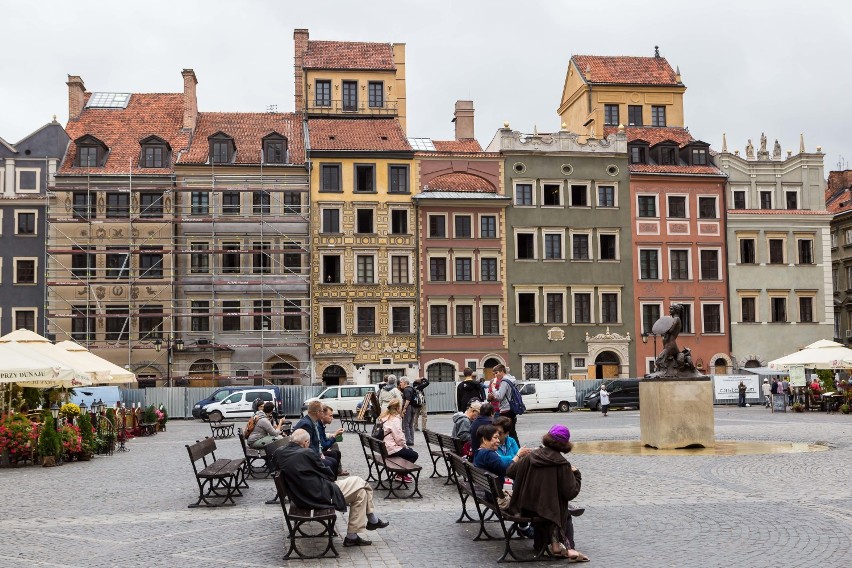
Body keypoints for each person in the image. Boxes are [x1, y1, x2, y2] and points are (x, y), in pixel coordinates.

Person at [275, 429, 389, 548]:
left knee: (361, 494)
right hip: (319, 495)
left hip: (303, 496)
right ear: (305, 442)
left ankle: (352, 536)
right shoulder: (306, 453)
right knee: (360, 482)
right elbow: (329, 474)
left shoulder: (280, 452)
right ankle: (372, 519)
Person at [507, 425, 588, 562]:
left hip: (524, 507)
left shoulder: (531, 456)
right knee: (564, 512)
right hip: (546, 512)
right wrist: (577, 474)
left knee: (547, 508)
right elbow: (570, 492)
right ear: (565, 444)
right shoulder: (562, 464)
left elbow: (510, 472)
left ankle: (544, 545)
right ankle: (570, 548)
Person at [377, 399, 418, 482]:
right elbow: (399, 438)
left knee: (409, 451)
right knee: (414, 455)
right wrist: (405, 447)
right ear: (397, 408)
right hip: (390, 449)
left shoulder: (384, 418)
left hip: (384, 448)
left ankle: (400, 473)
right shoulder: (395, 420)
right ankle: (401, 474)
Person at [294, 400, 338, 475]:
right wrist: (319, 455)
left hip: (310, 453)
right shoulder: (306, 424)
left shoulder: (311, 421)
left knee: (333, 460)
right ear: (318, 412)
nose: (323, 413)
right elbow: (308, 445)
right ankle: (329, 484)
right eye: (322, 411)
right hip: (304, 457)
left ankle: (331, 484)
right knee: (331, 463)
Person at [489, 364, 519, 444]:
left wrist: (493, 388)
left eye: (496, 373)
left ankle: (515, 449)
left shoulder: (504, 381)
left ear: (502, 371)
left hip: (506, 409)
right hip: (512, 408)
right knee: (512, 431)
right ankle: (516, 448)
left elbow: (499, 396)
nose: (495, 375)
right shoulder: (511, 379)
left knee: (507, 431)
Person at [319, 404, 348, 477]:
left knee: (335, 449)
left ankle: (337, 472)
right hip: (316, 452)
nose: (332, 418)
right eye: (330, 416)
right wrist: (334, 436)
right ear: (323, 415)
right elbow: (324, 446)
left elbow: (324, 440)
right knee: (335, 453)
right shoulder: (318, 426)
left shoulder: (321, 425)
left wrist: (333, 436)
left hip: (320, 449)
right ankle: (334, 476)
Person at [399, 378, 416, 446]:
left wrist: (404, 408)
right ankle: (412, 439)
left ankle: (408, 440)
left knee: (406, 424)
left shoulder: (406, 389)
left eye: (401, 382)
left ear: (405, 382)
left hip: (408, 408)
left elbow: (407, 400)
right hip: (414, 407)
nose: (400, 384)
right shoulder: (412, 388)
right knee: (411, 424)